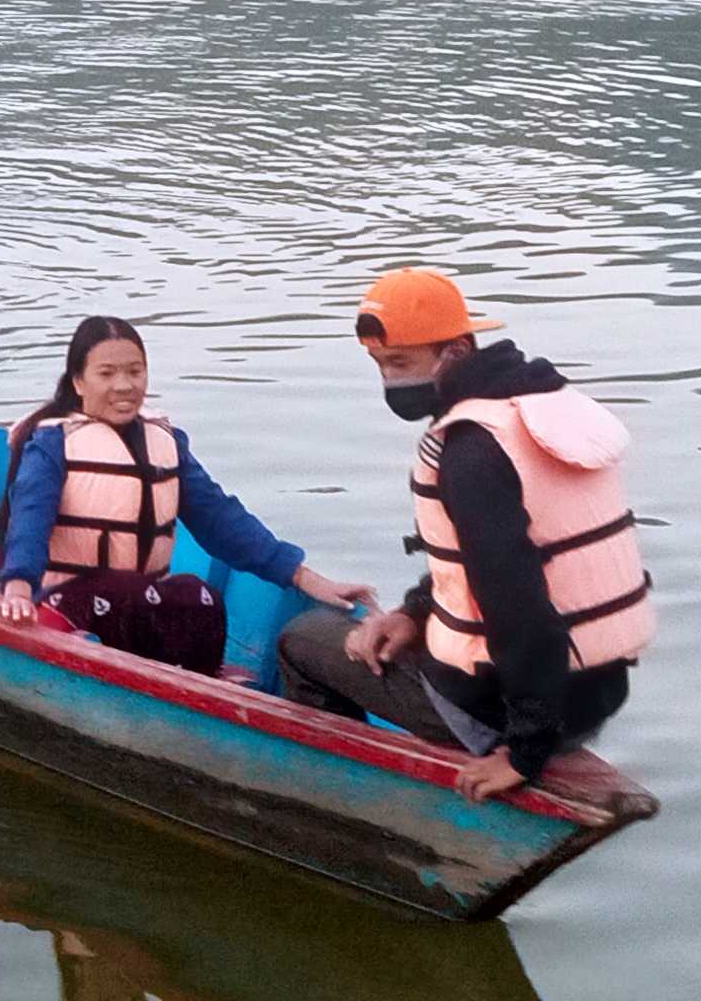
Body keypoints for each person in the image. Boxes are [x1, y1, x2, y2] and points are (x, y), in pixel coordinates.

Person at [273, 269, 652, 800]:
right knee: (410, 625)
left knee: (301, 640)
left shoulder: (471, 450)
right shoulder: (538, 408)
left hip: (511, 713)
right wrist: (414, 613)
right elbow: (504, 560)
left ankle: (337, 803)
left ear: (456, 350)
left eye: (402, 362)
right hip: (600, 692)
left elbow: (518, 609)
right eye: (380, 366)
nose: (390, 381)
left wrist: (524, 753)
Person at [0, 315, 375, 674]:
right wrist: (19, 589)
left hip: (138, 603)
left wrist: (303, 576)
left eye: (135, 372)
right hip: (66, 602)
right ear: (78, 382)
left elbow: (220, 518)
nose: (124, 386)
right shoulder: (53, 443)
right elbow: (30, 520)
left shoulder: (166, 442)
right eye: (106, 374)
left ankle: (201, 684)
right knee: (134, 595)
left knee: (202, 596)